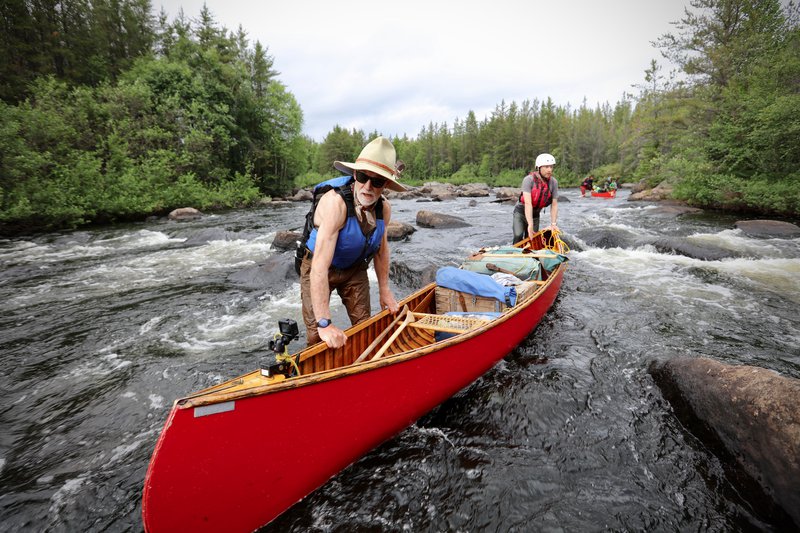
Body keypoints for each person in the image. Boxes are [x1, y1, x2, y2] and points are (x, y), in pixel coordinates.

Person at [297, 136, 405, 349]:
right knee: (317, 336)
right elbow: (319, 267)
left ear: (385, 185)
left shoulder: (384, 208)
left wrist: (384, 289)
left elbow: (381, 250)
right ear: (354, 174)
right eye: (363, 176)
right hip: (319, 267)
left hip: (354, 269)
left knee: (364, 328)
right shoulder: (335, 204)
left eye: (377, 181)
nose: (367, 186)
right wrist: (325, 323)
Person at [512, 153, 559, 244]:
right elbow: (528, 203)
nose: (549, 170)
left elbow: (554, 204)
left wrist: (553, 224)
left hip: (535, 214)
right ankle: (515, 253)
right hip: (521, 212)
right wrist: (530, 224)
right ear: (539, 167)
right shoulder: (528, 180)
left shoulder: (553, 182)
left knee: (531, 239)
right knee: (518, 235)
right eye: (546, 167)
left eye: (551, 167)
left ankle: (529, 255)